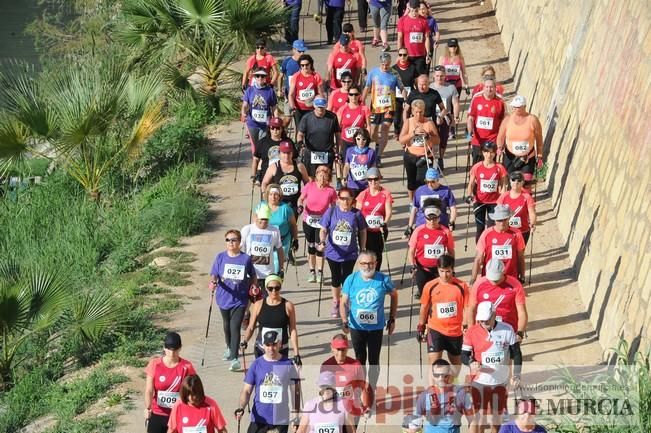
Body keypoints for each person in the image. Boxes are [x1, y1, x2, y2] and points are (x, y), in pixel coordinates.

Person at [340, 250, 398, 390]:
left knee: (373, 360)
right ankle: (360, 389)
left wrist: (392, 319)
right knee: (359, 360)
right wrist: (344, 320)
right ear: (359, 264)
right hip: (356, 327)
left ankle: (371, 388)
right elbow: (343, 302)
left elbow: (394, 295)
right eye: (364, 263)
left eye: (370, 263)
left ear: (376, 263)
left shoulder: (383, 279)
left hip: (376, 328)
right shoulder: (351, 279)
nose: (367, 266)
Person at [462, 301, 522, 433]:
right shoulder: (472, 331)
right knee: (479, 418)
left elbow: (516, 354)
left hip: (500, 382)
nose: (483, 323)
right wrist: (471, 362)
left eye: (486, 320)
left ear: (494, 315)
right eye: (481, 320)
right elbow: (464, 356)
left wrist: (516, 375)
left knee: (497, 417)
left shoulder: (507, 329)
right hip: (479, 382)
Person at [209, 231, 257, 372]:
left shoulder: (245, 259)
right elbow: (214, 274)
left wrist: (253, 286)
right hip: (223, 297)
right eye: (228, 240)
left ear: (239, 242)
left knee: (235, 326)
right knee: (226, 325)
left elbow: (253, 275)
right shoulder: (220, 257)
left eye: (234, 240)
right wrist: (212, 282)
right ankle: (229, 347)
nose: (231, 242)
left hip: (240, 299)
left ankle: (235, 359)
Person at [235, 330, 300, 433]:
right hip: (259, 419)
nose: (271, 348)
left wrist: (296, 415)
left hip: (280, 420)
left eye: (274, 344)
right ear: (263, 346)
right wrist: (241, 408)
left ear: (279, 344)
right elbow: (246, 391)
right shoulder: (256, 364)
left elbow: (295, 392)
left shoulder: (288, 364)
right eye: (268, 345)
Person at [318, 187, 367, 318]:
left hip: (350, 253)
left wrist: (363, 248)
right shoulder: (332, 211)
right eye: (342, 198)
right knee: (335, 278)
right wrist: (322, 241)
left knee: (346, 279)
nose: (345, 201)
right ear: (338, 199)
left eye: (348, 199)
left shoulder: (357, 214)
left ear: (352, 200)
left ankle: (345, 304)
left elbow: (362, 231)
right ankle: (336, 302)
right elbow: (323, 229)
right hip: (333, 252)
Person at [417, 255, 469, 373]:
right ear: (438, 269)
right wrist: (421, 325)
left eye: (448, 271)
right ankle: (433, 389)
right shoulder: (430, 286)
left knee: (456, 363)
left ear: (453, 269)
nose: (445, 275)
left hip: (455, 331)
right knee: (434, 362)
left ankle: (455, 386)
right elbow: (424, 307)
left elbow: (467, 308)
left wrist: (466, 325)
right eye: (442, 271)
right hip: (436, 329)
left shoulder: (462, 286)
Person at [144, 332, 197, 433]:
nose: (172, 353)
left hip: (178, 414)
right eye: (169, 349)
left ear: (180, 348)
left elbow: (194, 390)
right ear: (164, 348)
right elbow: (149, 390)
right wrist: (148, 408)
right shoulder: (155, 364)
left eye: (175, 350)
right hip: (157, 413)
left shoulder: (187, 366)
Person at [242, 274, 301, 363]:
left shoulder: (288, 305)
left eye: (277, 288)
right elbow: (251, 327)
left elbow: (292, 330)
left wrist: (296, 353)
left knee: (279, 376)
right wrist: (245, 341)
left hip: (280, 350)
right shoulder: (258, 304)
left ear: (280, 287)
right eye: (270, 288)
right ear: (266, 288)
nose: (274, 291)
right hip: (262, 350)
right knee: (262, 376)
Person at [467, 259, 528, 341]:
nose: (494, 281)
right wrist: (471, 330)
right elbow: (471, 308)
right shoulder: (479, 284)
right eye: (491, 278)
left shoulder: (515, 285)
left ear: (503, 272)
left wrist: (520, 333)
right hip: (484, 332)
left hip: (508, 332)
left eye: (496, 278)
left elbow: (522, 312)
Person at [363, 52, 405, 165]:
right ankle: (378, 144)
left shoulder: (394, 73)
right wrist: (361, 101)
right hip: (376, 107)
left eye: (387, 64)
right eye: (382, 64)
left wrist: (406, 99)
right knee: (372, 134)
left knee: (385, 130)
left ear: (390, 63)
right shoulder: (373, 72)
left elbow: (402, 87)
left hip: (389, 107)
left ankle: (378, 156)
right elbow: (367, 87)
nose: (385, 66)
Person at [297, 165, 337, 283]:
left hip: (322, 223)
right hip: (308, 220)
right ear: (316, 176)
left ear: (328, 178)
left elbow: (334, 206)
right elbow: (301, 198)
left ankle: (320, 272)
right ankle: (312, 272)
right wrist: (300, 206)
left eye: (325, 175)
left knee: (320, 247)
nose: (322, 177)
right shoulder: (309, 186)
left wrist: (332, 217)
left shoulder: (330, 190)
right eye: (320, 174)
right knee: (311, 247)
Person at [407, 200, 455, 298]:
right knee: (425, 297)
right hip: (422, 269)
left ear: (439, 218)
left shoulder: (445, 231)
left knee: (440, 296)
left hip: (439, 270)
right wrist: (412, 265)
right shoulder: (418, 230)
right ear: (425, 218)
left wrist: (451, 267)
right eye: (429, 218)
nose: (432, 221)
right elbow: (411, 251)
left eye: (434, 218)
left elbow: (451, 250)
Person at [471, 204, 526, 283]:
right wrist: (473, 279)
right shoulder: (486, 234)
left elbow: (520, 257)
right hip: (490, 278)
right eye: (499, 220)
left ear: (509, 218)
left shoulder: (516, 233)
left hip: (511, 277)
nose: (502, 223)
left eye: (504, 219)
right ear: (494, 220)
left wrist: (522, 275)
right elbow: (478, 259)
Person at [465, 141, 508, 242]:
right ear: (483, 153)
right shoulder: (477, 167)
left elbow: (503, 185)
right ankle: (480, 252)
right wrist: (469, 195)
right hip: (479, 201)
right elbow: (471, 183)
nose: (489, 155)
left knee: (491, 228)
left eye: (492, 152)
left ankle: (490, 249)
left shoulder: (499, 168)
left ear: (495, 153)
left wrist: (502, 199)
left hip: (494, 203)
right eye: (486, 152)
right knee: (480, 228)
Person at [415, 359, 474, 432]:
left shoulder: (461, 394)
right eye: (437, 375)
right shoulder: (424, 396)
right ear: (432, 376)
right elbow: (414, 423)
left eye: (444, 375)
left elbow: (472, 421)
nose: (441, 378)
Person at [320, 334, 371, 419]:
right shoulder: (326, 366)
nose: (341, 353)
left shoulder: (356, 365)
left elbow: (362, 389)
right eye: (338, 349)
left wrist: (366, 406)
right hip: (334, 411)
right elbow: (323, 390)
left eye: (343, 350)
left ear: (347, 348)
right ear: (332, 348)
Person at [399, 99, 440, 201]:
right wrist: (413, 133)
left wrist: (427, 136)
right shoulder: (408, 122)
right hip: (411, 155)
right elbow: (401, 140)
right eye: (416, 112)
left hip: (425, 156)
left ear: (424, 111)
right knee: (411, 182)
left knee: (422, 181)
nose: (418, 114)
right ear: (412, 112)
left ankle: (422, 201)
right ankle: (412, 203)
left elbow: (438, 140)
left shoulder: (429, 122)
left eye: (420, 112)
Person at [496, 95, 544, 179]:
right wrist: (499, 147)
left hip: (528, 156)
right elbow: (500, 136)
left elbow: (539, 138)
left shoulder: (533, 120)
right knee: (512, 182)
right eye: (514, 106)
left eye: (517, 107)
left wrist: (539, 155)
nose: (515, 109)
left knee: (526, 181)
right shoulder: (507, 119)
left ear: (524, 107)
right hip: (510, 156)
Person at [355, 167, 393, 272]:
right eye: (370, 179)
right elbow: (357, 213)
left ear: (380, 179)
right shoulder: (363, 194)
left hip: (379, 230)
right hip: (366, 231)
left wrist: (384, 223)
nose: (373, 182)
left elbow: (389, 212)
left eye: (375, 179)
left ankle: (376, 272)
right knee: (366, 253)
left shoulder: (386, 193)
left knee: (377, 253)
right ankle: (366, 272)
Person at [262, 140, 310, 217]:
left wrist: (304, 198)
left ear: (292, 153)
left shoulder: (300, 166)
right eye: (284, 153)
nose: (286, 156)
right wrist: (265, 195)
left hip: (294, 203)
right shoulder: (274, 167)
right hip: (278, 202)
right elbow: (264, 183)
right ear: (279, 154)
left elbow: (307, 184)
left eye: (288, 153)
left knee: (292, 225)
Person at [297, 96, 341, 178]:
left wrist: (338, 151)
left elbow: (338, 135)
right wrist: (300, 144)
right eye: (318, 107)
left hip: (327, 153)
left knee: (325, 178)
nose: (320, 109)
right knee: (311, 178)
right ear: (314, 106)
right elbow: (300, 134)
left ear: (325, 106)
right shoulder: (307, 118)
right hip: (311, 153)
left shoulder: (332, 117)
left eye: (322, 107)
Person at [241, 204, 285, 283]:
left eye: (266, 219)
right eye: (262, 218)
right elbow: (238, 249)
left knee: (266, 296)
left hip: (268, 274)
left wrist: (281, 268)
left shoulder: (275, 230)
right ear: (256, 217)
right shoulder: (247, 229)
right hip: (250, 273)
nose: (264, 221)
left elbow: (279, 249)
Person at [467, 78, 505, 165]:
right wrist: (469, 133)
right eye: (487, 87)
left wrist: (501, 139)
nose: (489, 89)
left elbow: (503, 121)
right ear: (483, 88)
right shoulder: (476, 100)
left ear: (495, 88)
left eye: (491, 87)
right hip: (478, 139)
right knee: (477, 165)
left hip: (492, 139)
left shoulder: (500, 102)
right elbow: (471, 118)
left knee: (490, 164)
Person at [260, 184, 299, 267]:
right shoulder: (262, 206)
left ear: (279, 196)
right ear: (267, 195)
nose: (273, 197)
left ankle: (279, 277)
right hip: (266, 241)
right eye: (270, 194)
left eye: (275, 194)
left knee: (277, 264)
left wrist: (295, 239)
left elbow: (293, 225)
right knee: (266, 266)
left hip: (283, 241)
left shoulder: (286, 208)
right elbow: (255, 224)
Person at [242, 67, 278, 155]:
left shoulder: (270, 91)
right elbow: (245, 104)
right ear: (254, 77)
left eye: (262, 76)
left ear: (265, 77)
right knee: (255, 145)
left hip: (265, 124)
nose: (260, 78)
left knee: (263, 144)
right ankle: (256, 163)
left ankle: (262, 165)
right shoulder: (249, 90)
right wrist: (243, 112)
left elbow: (274, 107)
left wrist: (276, 120)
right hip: (252, 123)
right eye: (257, 76)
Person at [431, 65, 461, 164]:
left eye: (442, 76)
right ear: (434, 76)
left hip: (445, 118)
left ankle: (440, 158)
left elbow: (455, 103)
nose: (439, 78)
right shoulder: (429, 87)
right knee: (433, 139)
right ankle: (433, 159)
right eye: (437, 76)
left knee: (443, 140)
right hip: (431, 118)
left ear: (445, 76)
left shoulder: (451, 87)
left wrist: (456, 116)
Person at [497, 171, 537, 244]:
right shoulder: (503, 197)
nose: (516, 182)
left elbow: (532, 212)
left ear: (522, 183)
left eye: (519, 180)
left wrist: (533, 223)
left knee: (519, 253)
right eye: (513, 180)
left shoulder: (527, 197)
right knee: (510, 252)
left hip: (523, 231)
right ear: (510, 181)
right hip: (507, 231)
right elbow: (498, 214)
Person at [252, 117, 295, 186]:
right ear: (269, 128)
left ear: (282, 129)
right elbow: (255, 159)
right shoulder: (262, 142)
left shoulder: (288, 142)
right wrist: (254, 176)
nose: (275, 130)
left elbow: (295, 158)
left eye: (278, 128)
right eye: (272, 128)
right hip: (266, 178)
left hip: (284, 178)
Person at [289, 54, 325, 127]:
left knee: (312, 130)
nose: (305, 67)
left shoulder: (316, 76)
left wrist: (320, 107)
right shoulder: (296, 76)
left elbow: (320, 94)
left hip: (312, 108)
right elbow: (291, 94)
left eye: (306, 64)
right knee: (300, 131)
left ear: (310, 64)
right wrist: (292, 107)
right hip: (299, 109)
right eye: (302, 65)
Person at [397, 0, 432, 75]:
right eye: (412, 11)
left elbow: (427, 38)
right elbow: (400, 38)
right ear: (409, 9)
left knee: (420, 78)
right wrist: (399, 53)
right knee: (408, 78)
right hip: (407, 55)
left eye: (416, 11)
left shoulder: (423, 21)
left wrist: (428, 53)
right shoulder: (402, 20)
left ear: (419, 9)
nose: (414, 13)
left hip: (420, 55)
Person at [343, 128, 377, 198]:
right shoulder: (350, 150)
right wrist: (344, 177)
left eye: (363, 139)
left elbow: (373, 168)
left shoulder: (371, 152)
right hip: (352, 184)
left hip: (366, 184)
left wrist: (373, 180)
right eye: (358, 139)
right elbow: (346, 165)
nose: (361, 142)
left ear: (367, 140)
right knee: (352, 204)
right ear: (355, 139)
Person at [392, 48, 419, 135]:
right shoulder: (393, 69)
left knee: (406, 116)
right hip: (396, 96)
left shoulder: (412, 68)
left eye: (404, 55)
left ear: (407, 56)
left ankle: (403, 133)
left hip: (409, 96)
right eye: (400, 55)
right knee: (396, 118)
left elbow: (416, 83)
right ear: (398, 56)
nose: (402, 57)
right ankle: (397, 131)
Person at [337, 85, 372, 150]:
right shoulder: (342, 109)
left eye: (356, 94)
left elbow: (368, 126)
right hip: (345, 141)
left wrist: (367, 140)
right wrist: (338, 143)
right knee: (346, 160)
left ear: (359, 95)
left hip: (359, 142)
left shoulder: (364, 109)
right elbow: (337, 128)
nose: (353, 97)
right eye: (351, 94)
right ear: (348, 95)